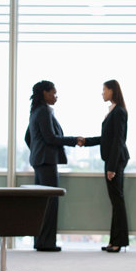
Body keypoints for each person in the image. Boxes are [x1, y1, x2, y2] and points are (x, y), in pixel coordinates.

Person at [24, 80, 83, 252]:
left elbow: (28, 137)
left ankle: (40, 241)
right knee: (51, 202)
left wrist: (37, 151)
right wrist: (74, 140)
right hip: (46, 161)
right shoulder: (44, 111)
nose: (56, 97)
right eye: (54, 93)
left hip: (39, 160)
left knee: (43, 202)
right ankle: (47, 243)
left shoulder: (35, 111)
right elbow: (50, 138)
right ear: (45, 93)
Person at [81, 80, 131, 253]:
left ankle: (119, 242)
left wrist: (112, 167)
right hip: (112, 160)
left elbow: (118, 140)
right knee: (115, 202)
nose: (102, 93)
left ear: (112, 91)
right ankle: (114, 241)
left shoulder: (118, 112)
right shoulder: (113, 110)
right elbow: (106, 138)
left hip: (115, 161)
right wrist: (86, 142)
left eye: (104, 90)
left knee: (118, 202)